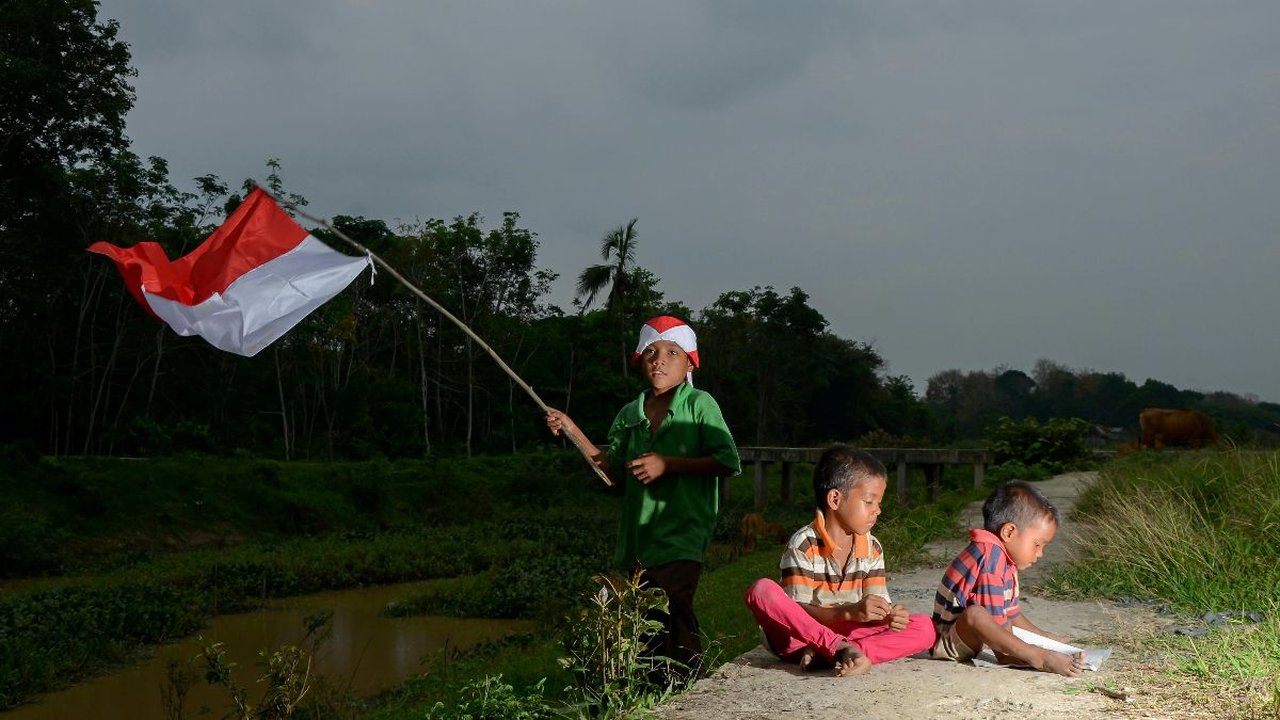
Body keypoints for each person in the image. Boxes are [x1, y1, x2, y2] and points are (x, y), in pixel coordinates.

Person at [545, 314, 740, 679]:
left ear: (689, 364)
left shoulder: (700, 404)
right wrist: (572, 430)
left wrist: (668, 464)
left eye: (672, 353)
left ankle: (690, 681)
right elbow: (612, 474)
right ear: (640, 361)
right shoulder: (629, 415)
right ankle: (658, 687)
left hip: (684, 528)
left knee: (673, 601)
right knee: (648, 617)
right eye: (651, 352)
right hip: (641, 534)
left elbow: (727, 461)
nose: (659, 360)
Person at [743, 445, 936, 677]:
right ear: (835, 499)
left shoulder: (872, 548)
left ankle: (844, 653)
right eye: (869, 502)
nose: (878, 511)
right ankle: (837, 649)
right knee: (761, 590)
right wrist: (847, 613)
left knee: (925, 628)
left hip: (849, 634)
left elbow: (875, 614)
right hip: (800, 638)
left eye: (879, 503)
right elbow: (796, 614)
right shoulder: (804, 544)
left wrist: (890, 616)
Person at [930, 480, 1086, 676]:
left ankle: (1037, 650)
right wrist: (1029, 653)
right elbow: (995, 622)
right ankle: (1040, 657)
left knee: (992, 618)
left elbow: (1011, 614)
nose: (1040, 554)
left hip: (965, 637)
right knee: (975, 614)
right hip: (948, 641)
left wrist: (1044, 638)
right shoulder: (991, 557)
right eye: (1037, 545)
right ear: (1009, 532)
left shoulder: (1004, 559)